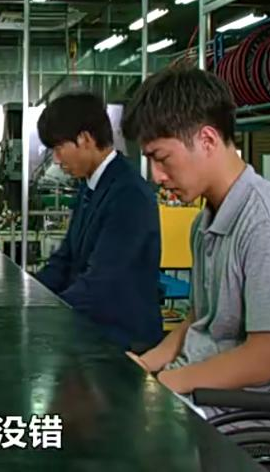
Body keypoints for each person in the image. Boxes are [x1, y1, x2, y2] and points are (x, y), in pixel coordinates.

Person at [121, 66, 270, 405]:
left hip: (239, 408)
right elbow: (201, 319)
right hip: (194, 387)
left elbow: (268, 358)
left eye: (162, 159)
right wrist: (146, 366)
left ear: (207, 140)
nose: (157, 176)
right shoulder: (205, 223)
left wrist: (166, 384)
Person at [35, 92, 163, 352]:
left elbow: (103, 283)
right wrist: (29, 296)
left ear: (85, 139)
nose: (56, 160)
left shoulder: (129, 194)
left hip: (124, 344)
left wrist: (43, 315)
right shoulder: (91, 185)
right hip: (92, 333)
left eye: (58, 148)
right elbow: (65, 260)